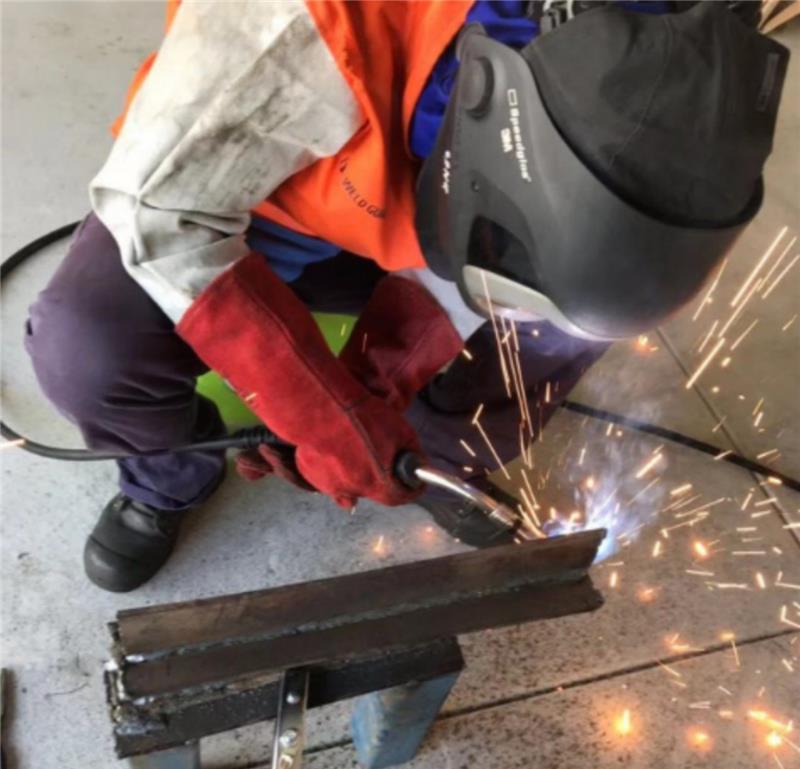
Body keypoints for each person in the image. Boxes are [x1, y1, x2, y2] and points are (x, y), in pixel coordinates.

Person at [24, 0, 787, 591]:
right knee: (85, 344)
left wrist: (374, 388)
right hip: (270, 200)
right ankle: (169, 477)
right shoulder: (293, 21)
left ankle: (440, 451)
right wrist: (317, 410)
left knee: (577, 309)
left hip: (437, 212)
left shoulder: (691, 36)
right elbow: (156, 216)